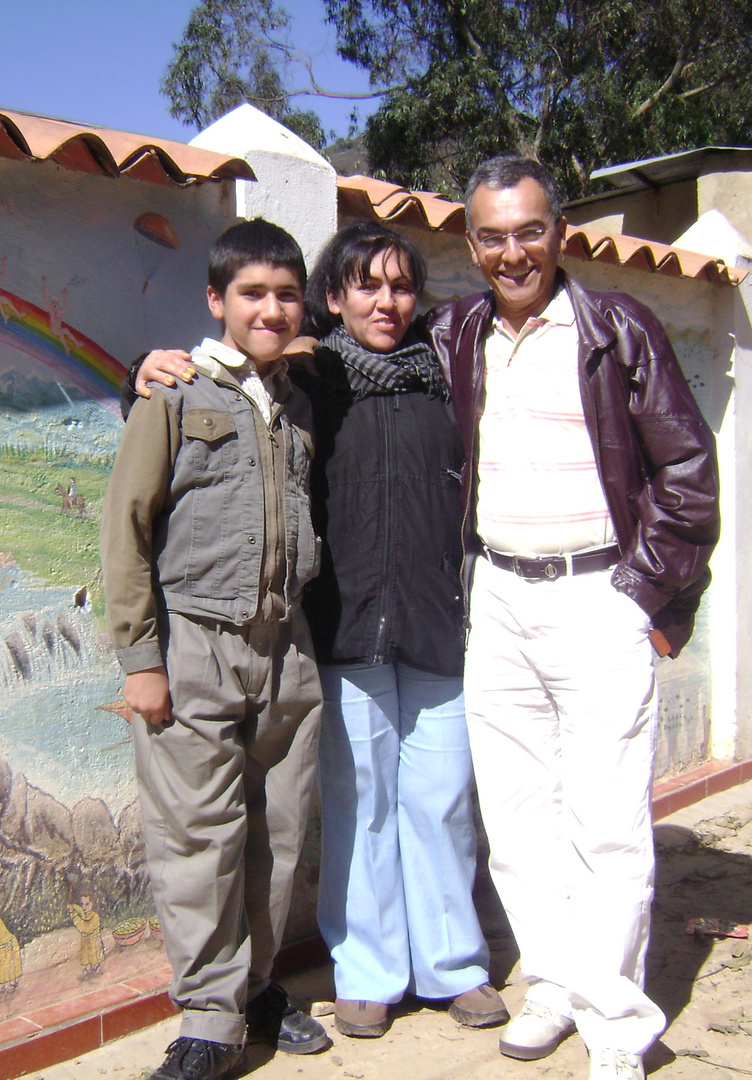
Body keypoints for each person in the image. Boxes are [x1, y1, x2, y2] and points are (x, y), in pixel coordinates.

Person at [139, 223, 504, 1039]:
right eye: (366, 286)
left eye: (402, 285)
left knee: (442, 801)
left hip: (439, 622)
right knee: (359, 801)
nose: (387, 301)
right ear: (333, 299)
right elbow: (221, 375)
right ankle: (368, 971)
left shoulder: (452, 378)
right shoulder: (314, 376)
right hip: (341, 628)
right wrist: (149, 362)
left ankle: (455, 966)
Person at [429, 156, 720, 1080]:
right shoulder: (457, 332)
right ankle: (552, 983)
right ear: (470, 243)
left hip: (598, 592)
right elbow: (347, 343)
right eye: (492, 235)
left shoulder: (617, 328)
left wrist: (639, 593)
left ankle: (617, 1024)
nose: (512, 252)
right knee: (517, 817)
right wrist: (190, 360)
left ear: (560, 231)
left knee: (606, 821)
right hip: (497, 599)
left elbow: (687, 472)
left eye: (529, 230)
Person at [101, 218, 331, 1080]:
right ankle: (207, 1018)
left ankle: (256, 987)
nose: (270, 310)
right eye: (252, 294)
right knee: (197, 838)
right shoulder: (173, 395)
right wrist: (142, 659)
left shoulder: (299, 401)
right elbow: (125, 529)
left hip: (286, 651)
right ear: (215, 301)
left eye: (285, 294)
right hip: (194, 643)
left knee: (276, 834)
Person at [67, 893, 105, 979]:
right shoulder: (85, 913)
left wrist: (73, 914)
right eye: (82, 904)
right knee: (86, 956)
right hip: (86, 941)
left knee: (94, 956)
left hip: (93, 941)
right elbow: (80, 910)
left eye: (87, 904)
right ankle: (88, 968)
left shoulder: (95, 917)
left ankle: (96, 968)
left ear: (93, 904)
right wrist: (73, 906)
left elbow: (85, 928)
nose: (84, 907)